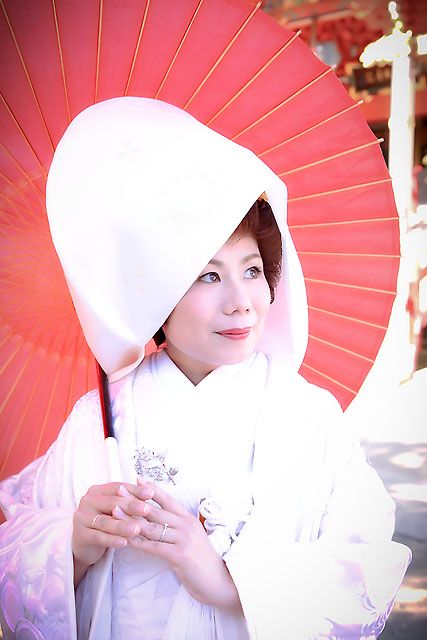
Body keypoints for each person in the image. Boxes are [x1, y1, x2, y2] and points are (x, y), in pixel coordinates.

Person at [0, 97, 411, 640]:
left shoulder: (309, 418)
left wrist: (226, 582)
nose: (241, 303)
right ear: (157, 295)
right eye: (208, 276)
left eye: (252, 270)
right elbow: (17, 540)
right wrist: (72, 544)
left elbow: (368, 564)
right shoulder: (99, 419)